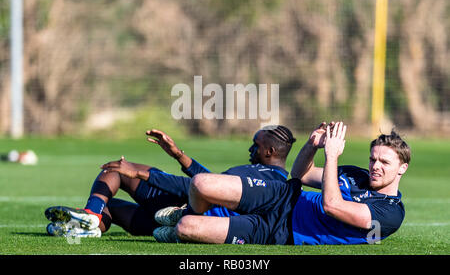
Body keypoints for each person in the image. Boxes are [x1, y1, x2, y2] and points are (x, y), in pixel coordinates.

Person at [140, 121, 409, 245]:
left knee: (188, 228)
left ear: (402, 169)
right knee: (200, 183)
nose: (375, 166)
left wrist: (332, 155)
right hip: (282, 196)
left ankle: (180, 223)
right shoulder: (357, 174)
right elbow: (301, 175)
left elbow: (332, 206)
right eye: (373, 159)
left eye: (384, 163)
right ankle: (184, 211)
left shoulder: (391, 214)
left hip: (281, 232)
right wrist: (313, 146)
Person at [44, 125, 296, 239]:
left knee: (119, 171)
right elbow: (211, 183)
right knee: (112, 209)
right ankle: (91, 225)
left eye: (257, 144)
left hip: (182, 212)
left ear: (270, 152)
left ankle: (91, 215)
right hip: (171, 216)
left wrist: (142, 174)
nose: (251, 148)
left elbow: (197, 188)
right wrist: (178, 154)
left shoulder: (265, 181)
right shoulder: (267, 177)